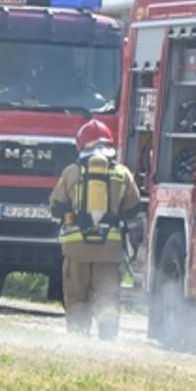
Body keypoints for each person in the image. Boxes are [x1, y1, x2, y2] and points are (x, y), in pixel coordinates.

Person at [48, 119, 141, 339]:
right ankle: (107, 333)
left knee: (77, 294)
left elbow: (56, 206)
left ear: (81, 145)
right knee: (107, 294)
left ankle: (79, 337)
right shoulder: (122, 173)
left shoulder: (71, 172)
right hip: (109, 248)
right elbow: (133, 208)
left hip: (76, 248)